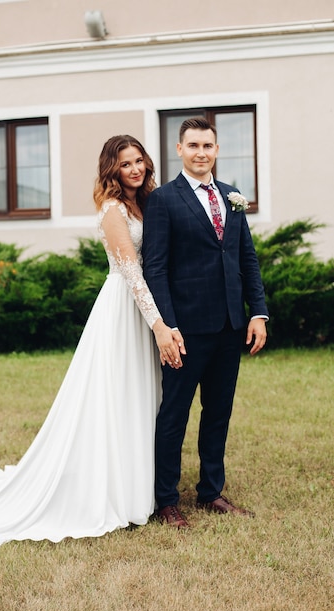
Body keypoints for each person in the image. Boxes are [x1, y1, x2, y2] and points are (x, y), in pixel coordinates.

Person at [0, 135, 185, 548]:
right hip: (125, 309)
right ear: (111, 170)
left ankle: (143, 487)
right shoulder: (113, 210)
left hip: (148, 309)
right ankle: (111, 490)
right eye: (125, 163)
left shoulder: (148, 202)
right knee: (115, 397)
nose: (135, 169)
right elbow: (132, 273)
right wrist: (157, 325)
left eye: (139, 161)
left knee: (140, 397)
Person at [142, 117, 268, 528]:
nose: (201, 153)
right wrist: (167, 325)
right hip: (186, 330)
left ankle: (211, 491)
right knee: (174, 415)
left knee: (218, 413)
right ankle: (166, 501)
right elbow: (156, 268)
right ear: (179, 149)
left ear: (216, 150)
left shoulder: (231, 196)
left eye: (208, 146)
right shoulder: (163, 200)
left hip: (231, 326)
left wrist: (258, 312)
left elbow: (246, 258)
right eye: (193, 145)